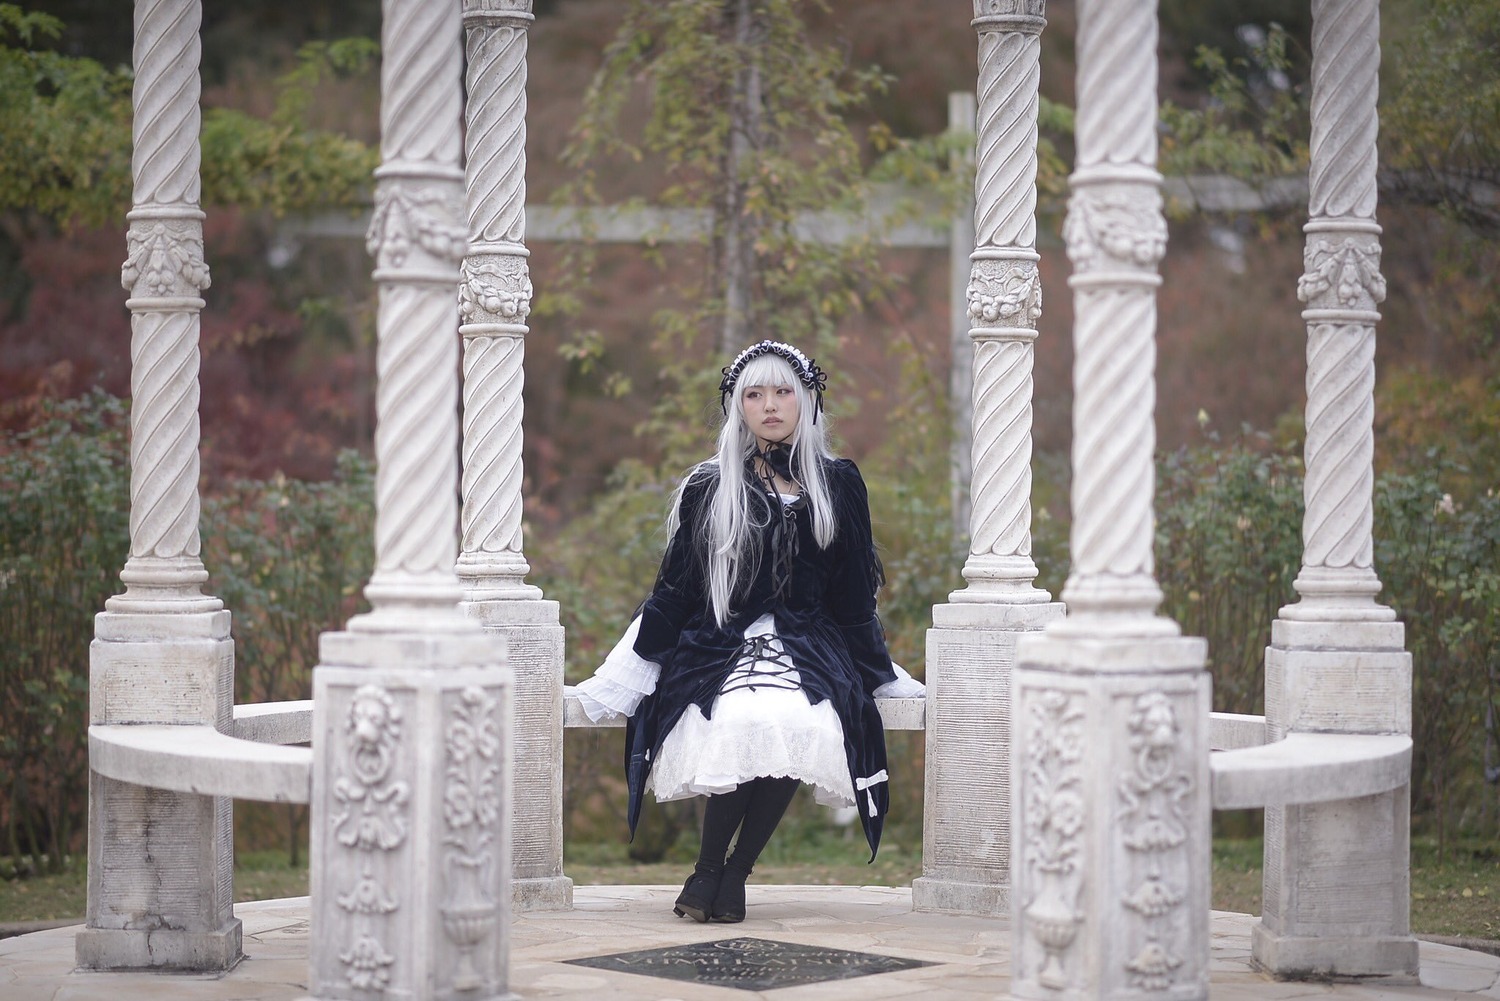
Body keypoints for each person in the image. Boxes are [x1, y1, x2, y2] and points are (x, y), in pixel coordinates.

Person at [573, 339, 923, 924]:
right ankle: (710, 868)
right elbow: (677, 588)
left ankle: (730, 874)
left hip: (810, 642)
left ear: (807, 401)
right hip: (721, 640)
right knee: (739, 721)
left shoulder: (839, 483)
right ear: (737, 406)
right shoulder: (711, 485)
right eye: (753, 394)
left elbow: (854, 592)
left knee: (796, 723)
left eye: (783, 392)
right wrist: (630, 668)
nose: (769, 405)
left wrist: (877, 673)